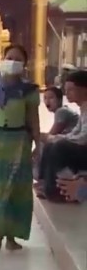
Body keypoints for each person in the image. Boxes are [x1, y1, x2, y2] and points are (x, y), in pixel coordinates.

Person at [0, 44, 40, 250]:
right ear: (2, 59)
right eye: (9, 57)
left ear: (25, 64)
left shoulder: (29, 91)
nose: (13, 62)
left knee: (16, 190)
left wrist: (38, 144)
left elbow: (33, 119)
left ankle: (12, 236)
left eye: (18, 59)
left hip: (19, 143)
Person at [38, 70, 87, 202]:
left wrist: (57, 138)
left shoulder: (64, 111)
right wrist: (55, 139)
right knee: (52, 144)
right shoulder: (83, 109)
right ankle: (45, 184)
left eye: (71, 89)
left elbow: (83, 138)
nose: (67, 93)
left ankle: (55, 191)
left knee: (59, 147)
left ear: (84, 90)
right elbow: (75, 132)